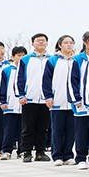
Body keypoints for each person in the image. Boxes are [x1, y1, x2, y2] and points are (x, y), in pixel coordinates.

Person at [43, 35, 83, 166]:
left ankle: (68, 155)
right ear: (60, 45)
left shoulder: (75, 60)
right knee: (57, 129)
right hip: (57, 101)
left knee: (71, 129)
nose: (69, 45)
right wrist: (48, 96)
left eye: (71, 42)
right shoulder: (53, 60)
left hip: (73, 102)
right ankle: (57, 155)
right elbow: (46, 80)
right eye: (66, 42)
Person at [17, 33, 52, 162]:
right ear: (32, 44)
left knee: (43, 127)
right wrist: (21, 94)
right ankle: (26, 152)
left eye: (43, 40)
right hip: (29, 98)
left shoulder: (51, 59)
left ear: (47, 43)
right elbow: (19, 78)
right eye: (38, 41)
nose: (41, 43)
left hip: (46, 100)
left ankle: (40, 152)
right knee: (28, 127)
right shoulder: (26, 59)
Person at [0, 46, 27, 159]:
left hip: (25, 104)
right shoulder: (7, 70)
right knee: (9, 129)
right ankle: (6, 150)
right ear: (13, 57)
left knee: (23, 129)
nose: (21, 58)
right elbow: (1, 87)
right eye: (19, 55)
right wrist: (2, 101)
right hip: (10, 105)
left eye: (23, 55)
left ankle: (22, 150)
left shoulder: (27, 68)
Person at [72, 32, 89, 170]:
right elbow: (72, 81)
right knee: (82, 130)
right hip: (81, 101)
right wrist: (76, 98)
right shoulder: (77, 59)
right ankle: (80, 157)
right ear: (85, 42)